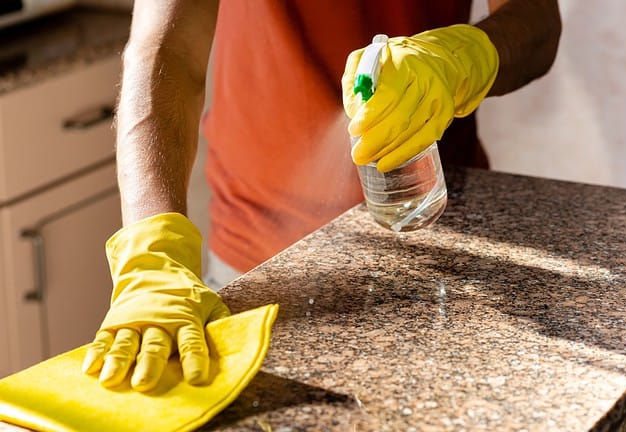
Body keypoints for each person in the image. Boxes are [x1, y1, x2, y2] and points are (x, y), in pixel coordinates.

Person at [81, 0, 562, 392]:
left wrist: (460, 58)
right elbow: (165, 50)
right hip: (266, 266)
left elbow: (538, 20)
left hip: (448, 235)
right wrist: (152, 247)